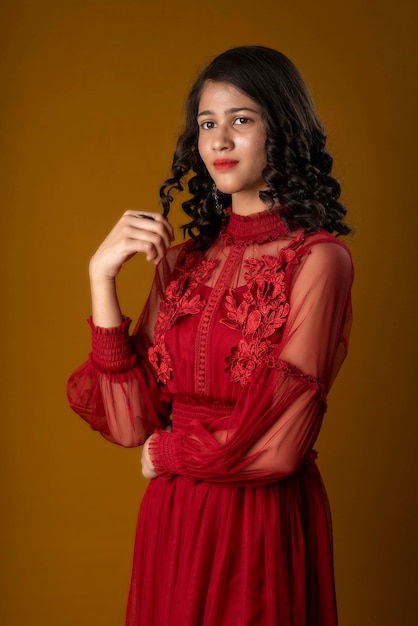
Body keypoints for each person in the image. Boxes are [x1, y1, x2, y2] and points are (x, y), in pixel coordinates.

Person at [67, 45, 353, 626]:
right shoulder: (183, 261)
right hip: (172, 519)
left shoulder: (319, 260)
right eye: (207, 124)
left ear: (283, 129)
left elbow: (281, 444)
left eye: (241, 120)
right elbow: (128, 424)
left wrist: (167, 452)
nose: (218, 141)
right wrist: (101, 280)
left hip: (258, 525)